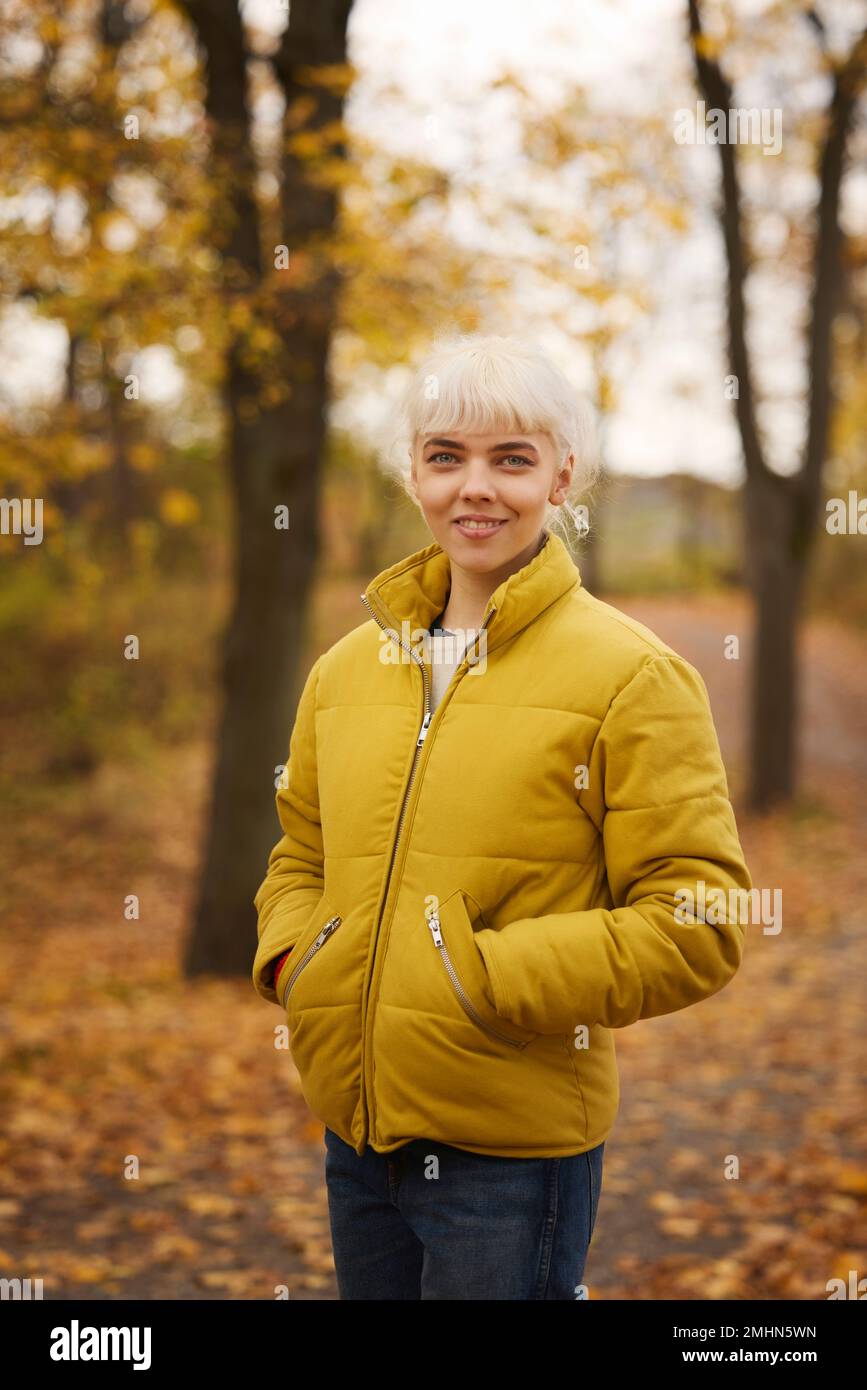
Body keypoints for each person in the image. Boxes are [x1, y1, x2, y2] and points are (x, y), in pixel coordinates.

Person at [251, 333, 753, 1300]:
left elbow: (701, 921)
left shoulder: (632, 676)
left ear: (563, 476)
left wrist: (478, 979)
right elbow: (298, 857)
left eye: (510, 459)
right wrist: (297, 960)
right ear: (414, 474)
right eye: (446, 457)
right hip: (357, 1139)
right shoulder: (345, 670)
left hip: (511, 1159)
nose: (474, 487)